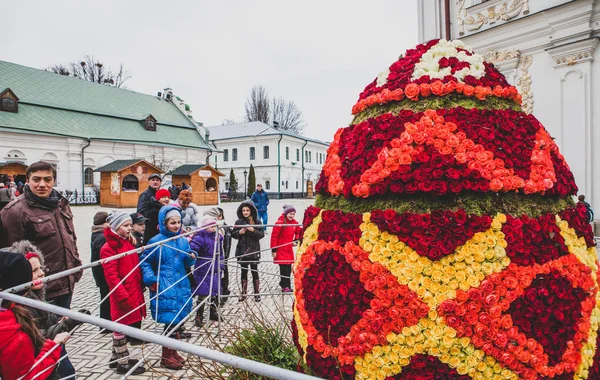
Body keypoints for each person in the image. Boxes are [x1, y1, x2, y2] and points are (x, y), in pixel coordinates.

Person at [0, 161, 82, 309]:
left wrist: (76, 264)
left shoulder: (61, 204)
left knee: (62, 329)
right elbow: (8, 255)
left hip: (66, 282)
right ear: (27, 181)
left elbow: (71, 238)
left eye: (48, 179)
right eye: (36, 179)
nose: (42, 184)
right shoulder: (14, 211)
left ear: (54, 181)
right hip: (37, 291)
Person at [9, 240, 86, 379]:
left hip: (48, 360)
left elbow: (45, 324)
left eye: (41, 268)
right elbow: (37, 336)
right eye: (34, 270)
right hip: (40, 365)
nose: (41, 273)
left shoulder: (35, 296)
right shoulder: (22, 306)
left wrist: (62, 321)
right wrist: (65, 325)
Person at [140, 205, 196, 370]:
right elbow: (145, 262)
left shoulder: (182, 240)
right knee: (170, 322)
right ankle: (166, 356)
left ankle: (174, 351)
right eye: (172, 222)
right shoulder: (156, 241)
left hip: (181, 285)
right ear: (164, 223)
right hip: (165, 285)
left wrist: (192, 257)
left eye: (178, 222)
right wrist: (151, 279)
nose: (177, 225)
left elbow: (187, 260)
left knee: (177, 322)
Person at [0, 250, 70, 380]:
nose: (41, 273)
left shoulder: (23, 306)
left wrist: (60, 323)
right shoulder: (13, 328)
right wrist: (53, 346)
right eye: (34, 270)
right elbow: (27, 376)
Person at [100, 211, 147, 375]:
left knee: (124, 325)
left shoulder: (127, 242)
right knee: (119, 327)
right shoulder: (109, 248)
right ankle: (123, 363)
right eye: (125, 226)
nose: (129, 228)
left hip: (133, 290)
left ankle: (116, 358)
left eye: (129, 225)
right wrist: (122, 295)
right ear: (115, 227)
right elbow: (111, 276)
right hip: (122, 294)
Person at [190, 215, 224, 327]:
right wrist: (193, 252)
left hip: (215, 269)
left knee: (213, 292)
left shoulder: (218, 237)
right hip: (203, 269)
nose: (214, 229)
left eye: (215, 226)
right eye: (211, 227)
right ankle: (199, 315)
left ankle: (213, 312)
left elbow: (221, 253)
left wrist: (221, 265)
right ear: (204, 227)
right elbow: (193, 247)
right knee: (203, 294)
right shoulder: (200, 238)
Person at [232, 200, 265, 302]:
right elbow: (233, 234)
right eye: (243, 210)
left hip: (253, 251)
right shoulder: (238, 222)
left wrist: (253, 230)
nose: (245, 212)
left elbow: (261, 234)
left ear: (251, 211)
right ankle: (244, 293)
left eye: (247, 210)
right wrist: (239, 232)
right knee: (244, 272)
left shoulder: (257, 221)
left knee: (254, 272)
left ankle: (257, 293)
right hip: (242, 251)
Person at [203, 207, 232, 305]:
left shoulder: (223, 228)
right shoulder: (206, 231)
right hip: (210, 260)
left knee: (222, 277)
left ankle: (222, 295)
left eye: (220, 215)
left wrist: (225, 258)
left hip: (221, 258)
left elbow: (226, 244)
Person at [270, 204, 302, 293]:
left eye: (293, 214)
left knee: (288, 268)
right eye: (290, 214)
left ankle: (287, 285)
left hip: (288, 249)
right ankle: (284, 285)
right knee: (283, 269)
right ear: (286, 213)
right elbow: (274, 237)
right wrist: (274, 250)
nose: (292, 216)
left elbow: (299, 231)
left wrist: (296, 239)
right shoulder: (279, 223)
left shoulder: (294, 223)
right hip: (280, 249)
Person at [90, 211, 112, 325]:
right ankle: (105, 324)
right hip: (102, 274)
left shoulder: (97, 233)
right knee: (106, 298)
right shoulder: (102, 237)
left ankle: (105, 323)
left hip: (99, 273)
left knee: (105, 297)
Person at [136, 173, 163, 244]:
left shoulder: (160, 194)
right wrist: (154, 211)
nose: (155, 182)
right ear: (149, 182)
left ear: (160, 183)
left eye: (157, 180)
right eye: (153, 180)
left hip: (158, 225)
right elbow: (140, 212)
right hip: (149, 226)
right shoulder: (145, 195)